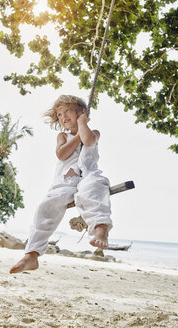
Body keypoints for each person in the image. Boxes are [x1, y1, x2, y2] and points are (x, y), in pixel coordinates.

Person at [10, 95, 113, 274]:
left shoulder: (93, 132)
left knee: (96, 188)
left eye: (67, 111)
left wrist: (82, 124)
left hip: (88, 175)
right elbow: (62, 154)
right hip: (66, 180)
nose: (63, 117)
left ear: (82, 112)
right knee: (46, 206)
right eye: (59, 115)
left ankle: (100, 228)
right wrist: (77, 136)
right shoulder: (62, 136)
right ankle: (32, 254)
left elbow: (88, 141)